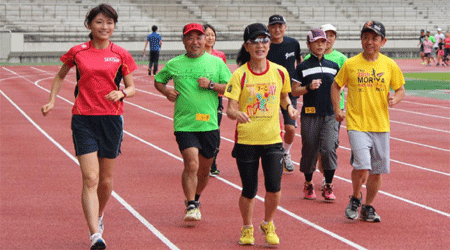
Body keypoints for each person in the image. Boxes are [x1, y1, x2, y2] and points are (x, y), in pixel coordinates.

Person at [40, 4, 137, 249]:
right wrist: (52, 100)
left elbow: (133, 87)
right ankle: (95, 234)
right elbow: (60, 75)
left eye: (110, 23)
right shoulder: (78, 52)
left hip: (112, 119)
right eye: (99, 22)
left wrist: (122, 93)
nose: (105, 27)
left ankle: (99, 215)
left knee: (105, 181)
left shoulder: (121, 54)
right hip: (83, 118)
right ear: (89, 25)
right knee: (90, 178)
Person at [225, 23, 299, 246]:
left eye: (264, 41)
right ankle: (247, 227)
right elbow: (230, 108)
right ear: (247, 46)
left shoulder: (279, 71)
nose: (261, 45)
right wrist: (236, 114)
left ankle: (268, 222)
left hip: (272, 140)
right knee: (249, 189)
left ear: (269, 44)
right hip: (247, 139)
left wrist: (289, 109)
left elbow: (285, 97)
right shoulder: (239, 75)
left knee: (274, 187)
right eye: (255, 41)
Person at [154, 23, 231, 222]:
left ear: (205, 40)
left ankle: (196, 198)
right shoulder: (174, 63)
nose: (195, 42)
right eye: (190, 38)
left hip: (209, 123)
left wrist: (212, 85)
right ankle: (190, 204)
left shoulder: (216, 63)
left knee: (204, 169)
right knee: (191, 163)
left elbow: (230, 88)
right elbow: (159, 80)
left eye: (199, 37)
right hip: (184, 124)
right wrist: (166, 92)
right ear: (183, 41)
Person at [331, 21, 405, 222]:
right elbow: (336, 86)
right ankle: (355, 197)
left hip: (381, 125)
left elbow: (400, 88)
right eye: (365, 37)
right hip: (357, 124)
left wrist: (395, 99)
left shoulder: (389, 65)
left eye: (374, 38)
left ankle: (368, 206)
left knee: (377, 170)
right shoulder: (351, 64)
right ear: (361, 39)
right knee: (363, 165)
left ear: (383, 41)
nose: (369, 42)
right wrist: (337, 109)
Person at [291, 29, 340, 201]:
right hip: (310, 115)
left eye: (323, 41)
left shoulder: (334, 67)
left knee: (328, 149)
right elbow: (294, 91)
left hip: (330, 114)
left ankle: (328, 185)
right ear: (309, 44)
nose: (320, 45)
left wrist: (338, 109)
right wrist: (308, 87)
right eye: (316, 42)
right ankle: (309, 182)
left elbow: (339, 89)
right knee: (310, 149)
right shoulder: (303, 67)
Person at [304, 23, 348, 191]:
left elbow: (348, 81)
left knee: (330, 146)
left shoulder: (341, 59)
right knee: (317, 146)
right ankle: (317, 177)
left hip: (335, 108)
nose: (328, 39)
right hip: (314, 110)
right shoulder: (309, 60)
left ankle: (325, 177)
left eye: (331, 36)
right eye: (325, 35)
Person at [266, 14, 302, 172]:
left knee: (291, 128)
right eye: (273, 26)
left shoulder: (293, 43)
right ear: (269, 28)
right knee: (268, 127)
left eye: (280, 26)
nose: (277, 29)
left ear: (285, 27)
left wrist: (299, 81)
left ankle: (286, 153)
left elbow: (300, 62)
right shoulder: (265, 46)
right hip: (269, 92)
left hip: (288, 92)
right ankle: (267, 155)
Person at [203, 23, 226, 176]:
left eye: (212, 34)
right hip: (201, 100)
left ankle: (212, 162)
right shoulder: (197, 56)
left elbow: (225, 79)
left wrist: (212, 85)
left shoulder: (220, 55)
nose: (210, 37)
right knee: (202, 128)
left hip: (216, 98)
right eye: (207, 34)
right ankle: (201, 159)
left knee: (214, 130)